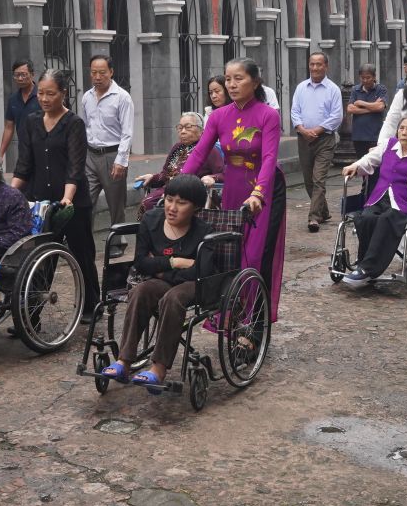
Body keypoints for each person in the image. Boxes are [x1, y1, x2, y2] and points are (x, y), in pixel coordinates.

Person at [181, 58, 286, 320]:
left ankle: (256, 324)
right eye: (228, 79)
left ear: (255, 82)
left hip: (264, 190)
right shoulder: (219, 116)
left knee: (257, 255)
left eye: (239, 78)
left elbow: (269, 158)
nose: (231, 84)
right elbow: (199, 153)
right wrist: (178, 184)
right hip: (233, 188)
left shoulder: (268, 115)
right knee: (231, 253)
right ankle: (231, 315)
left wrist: (259, 193)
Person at [101, 174, 211, 391]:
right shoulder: (151, 220)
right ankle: (124, 361)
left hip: (194, 285)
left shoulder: (204, 232)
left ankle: (158, 368)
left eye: (182, 203)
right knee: (141, 290)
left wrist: (159, 269)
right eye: (169, 199)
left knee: (173, 298)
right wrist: (175, 262)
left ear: (196, 208)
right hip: (163, 281)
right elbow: (141, 263)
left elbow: (200, 271)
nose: (172, 208)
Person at [12, 69, 100, 317]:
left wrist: (67, 198)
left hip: (72, 204)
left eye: (50, 93)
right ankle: (31, 317)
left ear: (63, 93)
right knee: (39, 259)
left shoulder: (74, 124)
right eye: (40, 93)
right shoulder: (31, 122)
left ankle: (91, 306)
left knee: (82, 254)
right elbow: (24, 164)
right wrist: (9, 193)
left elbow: (75, 166)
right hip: (41, 203)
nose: (44, 98)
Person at [340, 113, 407, 286]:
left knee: (386, 220)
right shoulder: (388, 145)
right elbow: (369, 160)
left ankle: (367, 269)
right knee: (366, 218)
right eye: (401, 128)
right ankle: (363, 263)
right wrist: (355, 165)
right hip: (379, 198)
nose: (404, 132)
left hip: (404, 204)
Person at [291, 51, 343, 233]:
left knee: (318, 178)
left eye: (318, 64)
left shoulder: (333, 89)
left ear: (326, 66)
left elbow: (336, 116)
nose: (314, 68)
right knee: (308, 180)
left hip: (324, 140)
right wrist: (302, 130)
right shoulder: (301, 88)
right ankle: (324, 211)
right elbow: (295, 112)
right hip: (304, 139)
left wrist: (317, 130)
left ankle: (313, 217)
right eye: (312, 64)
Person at [81, 54, 134, 227]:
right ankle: (85, 239)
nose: (97, 77)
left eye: (102, 72)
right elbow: (86, 127)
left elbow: (127, 132)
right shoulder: (87, 97)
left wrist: (121, 161)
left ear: (111, 72)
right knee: (85, 202)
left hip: (112, 156)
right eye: (93, 72)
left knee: (116, 205)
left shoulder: (122, 97)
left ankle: (118, 239)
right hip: (90, 156)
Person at [138, 111, 222, 217]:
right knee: (148, 203)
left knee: (154, 206)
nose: (183, 131)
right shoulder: (177, 148)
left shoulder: (210, 150)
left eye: (188, 127)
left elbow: (222, 174)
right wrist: (153, 177)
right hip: (169, 190)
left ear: (202, 130)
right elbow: (166, 174)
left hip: (189, 194)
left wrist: (212, 178)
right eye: (180, 127)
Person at [0, 58, 38, 167]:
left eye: (23, 75)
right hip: (24, 150)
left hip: (43, 148)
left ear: (32, 75)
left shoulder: (42, 96)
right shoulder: (13, 99)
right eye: (16, 75)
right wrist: (0, 154)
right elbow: (9, 128)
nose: (20, 78)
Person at [347, 64, 390, 163]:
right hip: (358, 136)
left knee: (376, 164)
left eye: (368, 77)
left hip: (375, 135)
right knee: (362, 164)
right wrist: (372, 107)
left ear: (374, 77)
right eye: (363, 78)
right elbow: (350, 109)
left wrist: (360, 103)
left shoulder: (381, 89)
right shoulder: (355, 89)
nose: (365, 80)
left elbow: (380, 107)